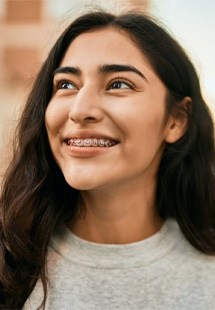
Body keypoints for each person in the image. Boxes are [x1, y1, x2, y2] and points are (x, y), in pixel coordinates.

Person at [0, 9, 214, 310]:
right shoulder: (8, 263)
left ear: (176, 120)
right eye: (66, 85)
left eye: (118, 84)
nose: (79, 109)